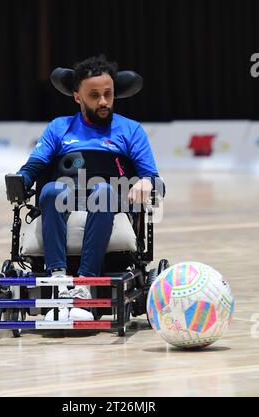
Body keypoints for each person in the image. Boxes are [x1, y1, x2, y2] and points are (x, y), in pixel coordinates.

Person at [17, 55, 159, 321]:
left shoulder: (130, 130)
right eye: (94, 95)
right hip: (65, 198)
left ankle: (85, 286)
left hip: (108, 199)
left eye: (108, 94)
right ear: (77, 97)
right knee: (50, 191)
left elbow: (152, 177)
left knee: (104, 193)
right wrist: (21, 180)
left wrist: (146, 181)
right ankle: (58, 281)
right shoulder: (60, 127)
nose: (103, 101)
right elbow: (34, 164)